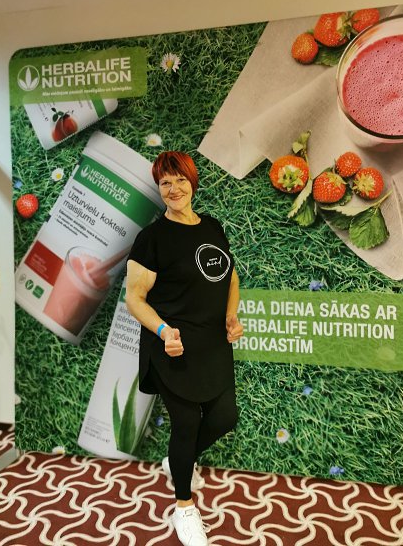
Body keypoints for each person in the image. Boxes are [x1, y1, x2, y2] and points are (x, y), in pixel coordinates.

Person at [126, 151, 243, 546]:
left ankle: (179, 460)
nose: (174, 189)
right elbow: (135, 298)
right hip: (171, 346)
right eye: (165, 183)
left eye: (180, 180)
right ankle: (184, 508)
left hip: (211, 343)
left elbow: (230, 277)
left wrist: (231, 315)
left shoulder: (212, 226)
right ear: (159, 189)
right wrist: (164, 332)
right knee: (187, 423)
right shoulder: (152, 239)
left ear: (192, 183)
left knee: (224, 416)